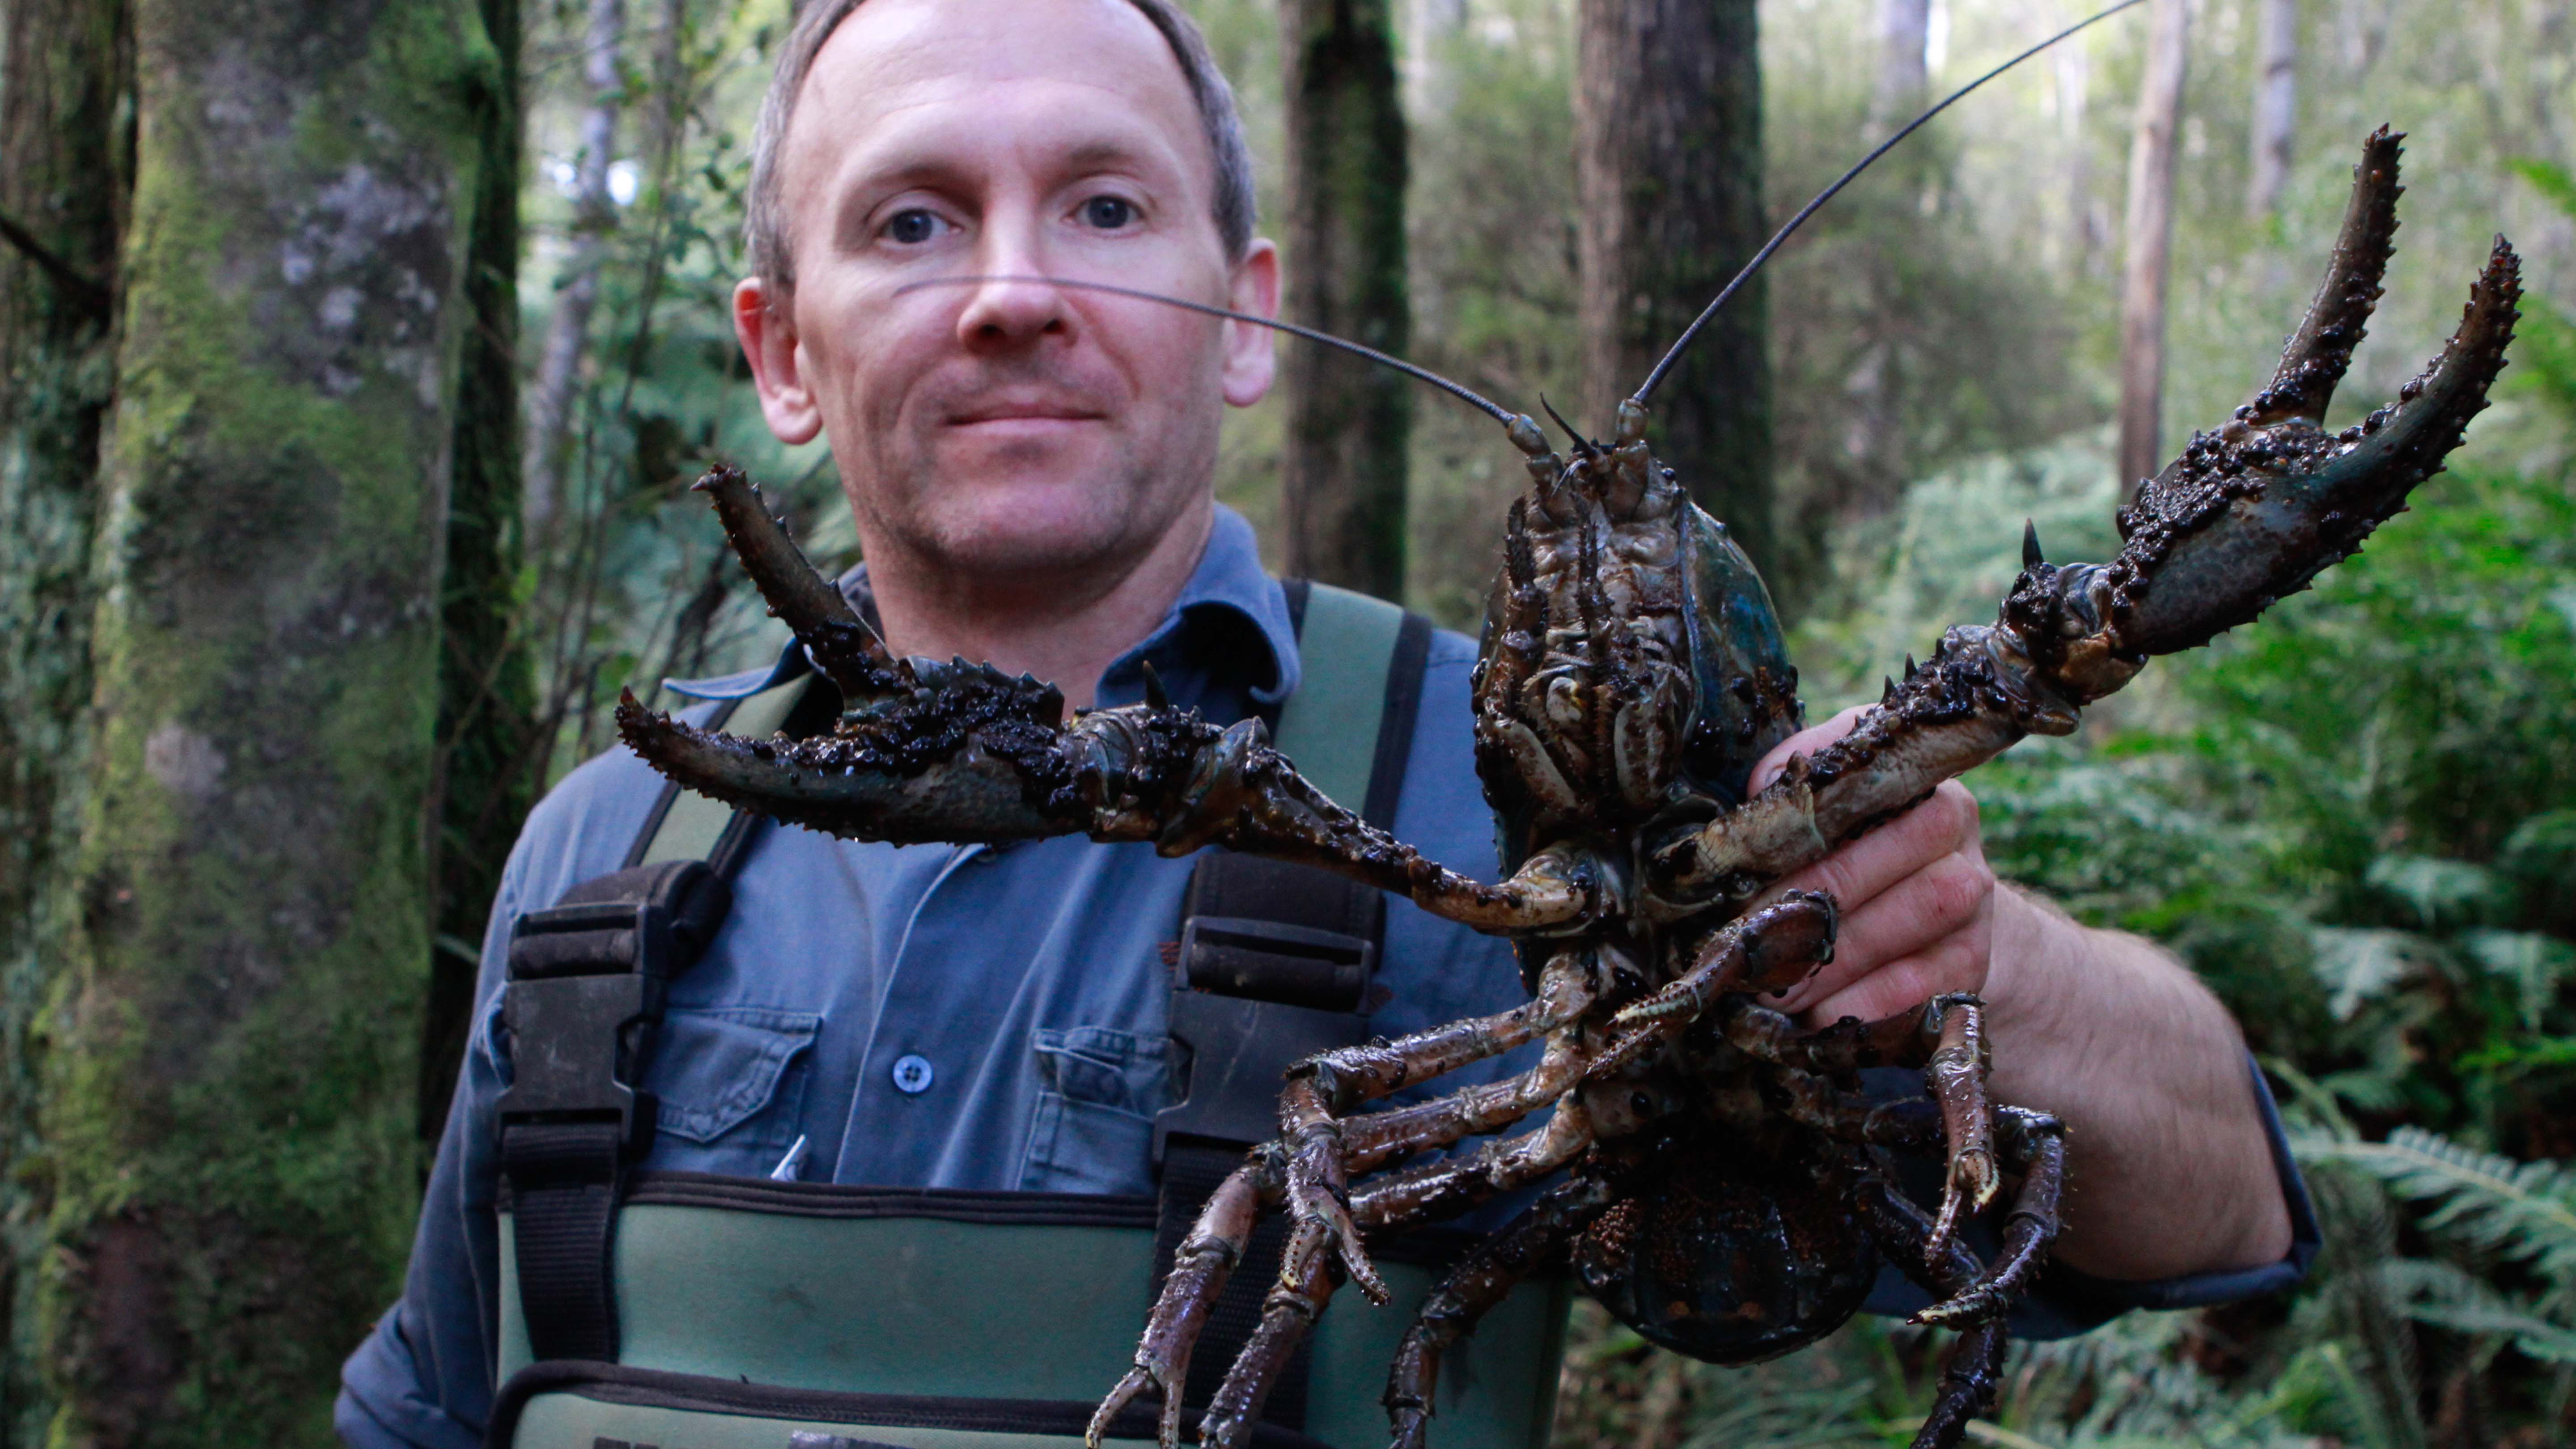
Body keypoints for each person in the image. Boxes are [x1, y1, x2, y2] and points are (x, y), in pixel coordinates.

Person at [335, 1, 2310, 1445]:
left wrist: (1989, 964)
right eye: (912, 221)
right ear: (780, 349)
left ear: (1252, 311)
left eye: (1105, 206)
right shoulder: (605, 843)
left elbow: (2227, 1218)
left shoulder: (1522, 805)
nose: (1013, 291)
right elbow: (430, 1405)